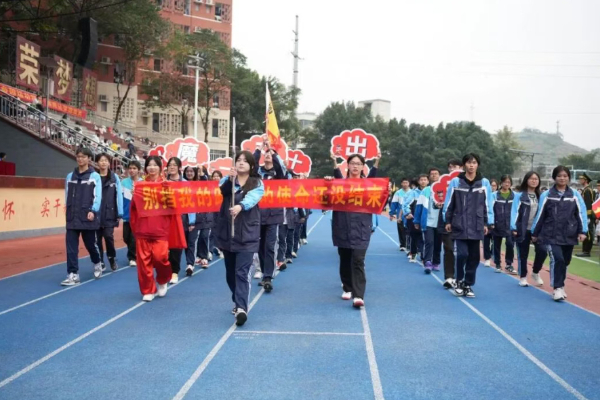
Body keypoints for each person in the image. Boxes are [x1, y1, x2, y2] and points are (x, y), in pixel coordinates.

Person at [214, 151, 264, 326]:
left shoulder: (257, 183)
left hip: (247, 233)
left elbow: (252, 199)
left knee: (242, 272)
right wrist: (230, 179)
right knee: (230, 273)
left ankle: (242, 308)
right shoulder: (227, 180)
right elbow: (223, 192)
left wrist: (240, 206)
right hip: (228, 233)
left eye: (245, 161)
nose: (241, 163)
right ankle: (237, 299)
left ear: (251, 165)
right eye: (238, 160)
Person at [326, 152, 380, 308]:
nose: (355, 166)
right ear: (348, 165)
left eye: (358, 164)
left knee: (358, 259)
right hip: (342, 225)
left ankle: (358, 295)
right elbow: (328, 193)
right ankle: (347, 287)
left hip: (362, 226)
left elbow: (375, 182)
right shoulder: (339, 184)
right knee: (344, 258)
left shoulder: (368, 184)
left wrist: (377, 161)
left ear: (363, 167)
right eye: (353, 163)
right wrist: (328, 183)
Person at [130, 156, 186, 302]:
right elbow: (134, 208)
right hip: (143, 228)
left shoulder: (166, 185)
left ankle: (162, 279)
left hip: (161, 229)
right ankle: (148, 289)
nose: (152, 168)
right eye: (149, 165)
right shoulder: (139, 186)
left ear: (160, 168)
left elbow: (175, 206)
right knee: (144, 263)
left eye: (155, 165)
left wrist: (170, 194)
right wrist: (134, 195)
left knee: (160, 258)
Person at [531, 166, 588, 301]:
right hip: (551, 234)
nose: (562, 178)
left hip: (569, 234)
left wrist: (582, 231)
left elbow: (581, 213)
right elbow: (540, 215)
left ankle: (561, 286)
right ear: (554, 178)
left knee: (566, 261)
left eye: (565, 176)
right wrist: (535, 232)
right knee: (558, 259)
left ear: (569, 178)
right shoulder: (547, 195)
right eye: (559, 176)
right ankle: (557, 288)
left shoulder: (574, 195)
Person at [443, 153, 494, 298]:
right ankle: (459, 281)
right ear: (464, 165)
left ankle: (468, 284)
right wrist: (447, 220)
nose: (471, 165)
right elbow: (449, 202)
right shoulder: (456, 182)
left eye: (474, 162)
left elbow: (488, 204)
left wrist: (487, 222)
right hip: (459, 224)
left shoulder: (484, 183)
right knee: (462, 254)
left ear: (478, 165)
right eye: (469, 162)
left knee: (474, 257)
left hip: (477, 224)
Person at [61, 147, 103, 286]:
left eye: (83, 156)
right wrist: (68, 209)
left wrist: (93, 210)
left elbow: (98, 196)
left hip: (87, 216)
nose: (80, 159)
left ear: (89, 159)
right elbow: (67, 195)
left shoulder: (95, 176)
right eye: (78, 156)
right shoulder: (70, 176)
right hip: (72, 217)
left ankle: (97, 262)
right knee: (71, 248)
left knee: (90, 245)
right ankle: (73, 274)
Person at [253, 137, 287, 292]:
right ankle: (263, 271)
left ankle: (268, 276)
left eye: (270, 153)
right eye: (266, 153)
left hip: (274, 215)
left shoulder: (278, 174)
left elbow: (281, 167)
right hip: (257, 214)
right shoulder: (257, 173)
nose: (268, 154)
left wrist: (273, 152)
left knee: (270, 246)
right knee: (259, 246)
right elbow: (251, 165)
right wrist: (260, 149)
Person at [510, 171, 547, 287]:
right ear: (526, 180)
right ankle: (523, 277)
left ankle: (535, 272)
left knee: (542, 250)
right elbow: (514, 211)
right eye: (531, 179)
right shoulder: (519, 195)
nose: (534, 181)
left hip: (537, 229)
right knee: (523, 254)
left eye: (536, 179)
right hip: (523, 228)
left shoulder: (541, 196)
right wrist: (514, 227)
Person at [165, 157, 196, 284]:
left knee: (176, 246)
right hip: (165, 218)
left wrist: (192, 220)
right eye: (170, 165)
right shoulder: (163, 182)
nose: (172, 167)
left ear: (179, 167)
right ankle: (166, 270)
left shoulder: (185, 184)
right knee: (163, 247)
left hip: (180, 218)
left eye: (174, 165)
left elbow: (191, 203)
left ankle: (174, 272)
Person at [95, 153, 124, 271]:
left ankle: (112, 258)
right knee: (97, 239)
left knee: (108, 236)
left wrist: (120, 211)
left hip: (110, 212)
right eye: (101, 160)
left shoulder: (114, 177)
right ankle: (100, 261)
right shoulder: (94, 177)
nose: (103, 162)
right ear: (97, 162)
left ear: (109, 163)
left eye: (105, 160)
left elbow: (119, 195)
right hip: (96, 213)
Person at [438, 159, 462, 289]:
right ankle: (449, 277)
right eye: (450, 167)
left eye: (455, 166)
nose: (452, 169)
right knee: (449, 249)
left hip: (463, 222)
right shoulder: (442, 183)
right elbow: (436, 199)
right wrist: (437, 204)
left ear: (461, 167)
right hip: (447, 221)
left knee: (463, 252)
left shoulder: (467, 183)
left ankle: (461, 277)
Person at [414, 168, 442, 274]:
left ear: (439, 176)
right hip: (428, 221)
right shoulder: (426, 190)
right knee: (429, 242)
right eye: (432, 174)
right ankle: (427, 262)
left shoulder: (444, 189)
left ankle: (436, 262)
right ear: (429, 177)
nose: (434, 175)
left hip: (440, 221)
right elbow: (419, 206)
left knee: (438, 243)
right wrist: (417, 221)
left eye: (436, 174)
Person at [491, 175, 516, 274]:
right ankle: (497, 263)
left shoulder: (514, 195)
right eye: (505, 182)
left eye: (509, 182)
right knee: (497, 245)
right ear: (501, 183)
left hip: (510, 224)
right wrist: (491, 222)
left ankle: (509, 264)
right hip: (497, 224)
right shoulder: (495, 195)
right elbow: (490, 209)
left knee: (510, 244)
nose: (507, 184)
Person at [121, 160, 143, 267]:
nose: (132, 170)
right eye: (130, 168)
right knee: (126, 237)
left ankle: (132, 257)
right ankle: (136, 251)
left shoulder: (143, 183)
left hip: (138, 215)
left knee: (134, 237)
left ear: (139, 170)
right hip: (127, 214)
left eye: (134, 168)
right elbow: (120, 197)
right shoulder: (124, 182)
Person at [403, 174, 429, 263]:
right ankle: (413, 253)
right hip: (414, 218)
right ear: (418, 181)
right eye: (421, 180)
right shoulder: (413, 193)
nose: (423, 181)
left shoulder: (430, 191)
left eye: (425, 180)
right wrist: (408, 213)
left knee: (425, 237)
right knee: (414, 236)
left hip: (426, 218)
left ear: (428, 181)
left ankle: (423, 256)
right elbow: (406, 204)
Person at [182, 166, 201, 277]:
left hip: (195, 219)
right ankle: (188, 262)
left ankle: (190, 264)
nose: (189, 173)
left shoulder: (200, 185)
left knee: (192, 242)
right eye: (187, 171)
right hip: (183, 218)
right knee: (185, 243)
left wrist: (193, 221)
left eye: (191, 171)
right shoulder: (181, 184)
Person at [389, 178, 410, 251]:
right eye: (404, 183)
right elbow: (394, 204)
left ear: (409, 183)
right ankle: (402, 245)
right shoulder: (398, 193)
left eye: (406, 183)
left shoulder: (412, 192)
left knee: (409, 230)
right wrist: (392, 213)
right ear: (401, 184)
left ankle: (409, 244)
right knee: (401, 230)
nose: (405, 184)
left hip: (409, 213)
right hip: (400, 215)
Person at [577, 172, 595, 257]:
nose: (580, 180)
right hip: (586, 214)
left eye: (582, 179)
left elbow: (588, 205)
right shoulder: (586, 190)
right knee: (586, 232)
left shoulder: (587, 190)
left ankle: (587, 251)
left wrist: (586, 216)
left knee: (588, 233)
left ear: (586, 180)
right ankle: (584, 250)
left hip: (588, 215)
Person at [208, 170, 224, 260]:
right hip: (212, 211)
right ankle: (210, 251)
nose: (216, 177)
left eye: (218, 176)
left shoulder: (224, 186)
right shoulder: (209, 187)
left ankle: (221, 249)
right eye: (214, 176)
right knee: (212, 231)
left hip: (221, 211)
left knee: (221, 231)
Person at [483, 178, 498, 266]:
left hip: (497, 221)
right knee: (486, 240)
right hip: (487, 221)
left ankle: (493, 254)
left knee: (495, 241)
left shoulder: (498, 196)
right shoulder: (485, 196)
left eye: (495, 186)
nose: (493, 187)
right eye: (491, 185)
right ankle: (487, 258)